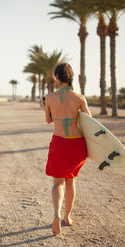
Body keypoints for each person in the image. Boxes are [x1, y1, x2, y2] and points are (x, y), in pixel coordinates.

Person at [44, 62, 91, 235]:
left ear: (57, 77)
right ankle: (67, 217)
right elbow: (90, 123)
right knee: (71, 181)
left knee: (57, 182)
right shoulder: (79, 98)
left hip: (59, 143)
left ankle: (56, 215)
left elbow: (48, 120)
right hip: (76, 144)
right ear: (71, 77)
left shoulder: (49, 98)